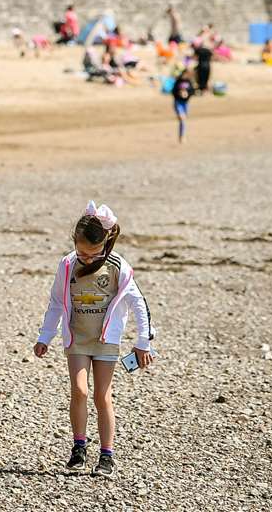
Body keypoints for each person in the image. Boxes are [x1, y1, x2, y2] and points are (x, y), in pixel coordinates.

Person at [33, 202, 154, 478]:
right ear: (74, 244)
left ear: (106, 244)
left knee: (102, 395)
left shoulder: (117, 267)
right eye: (82, 253)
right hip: (77, 338)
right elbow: (55, 303)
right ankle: (79, 449)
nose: (86, 259)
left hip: (105, 341)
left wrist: (143, 342)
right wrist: (45, 336)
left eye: (93, 254)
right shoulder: (67, 265)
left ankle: (107, 456)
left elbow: (139, 304)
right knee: (79, 391)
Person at [171, 67, 194, 143]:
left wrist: (187, 95)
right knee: (182, 118)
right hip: (178, 102)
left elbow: (192, 91)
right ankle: (182, 137)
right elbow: (173, 91)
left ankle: (181, 136)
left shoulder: (189, 81)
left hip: (185, 103)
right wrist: (179, 93)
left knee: (183, 121)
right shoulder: (178, 81)